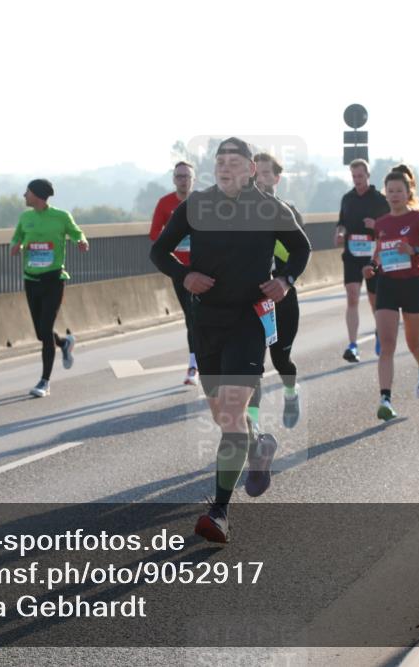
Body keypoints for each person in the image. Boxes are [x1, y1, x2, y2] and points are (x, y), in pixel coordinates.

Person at [150, 138, 310, 543]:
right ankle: (260, 445)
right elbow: (160, 251)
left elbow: (301, 249)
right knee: (225, 418)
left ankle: (219, 510)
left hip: (248, 321)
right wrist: (184, 275)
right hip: (207, 321)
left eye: (234, 162)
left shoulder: (270, 209)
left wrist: (285, 280)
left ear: (251, 169)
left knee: (235, 411)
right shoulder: (198, 205)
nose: (225, 167)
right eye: (220, 161)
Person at [362, 167, 419, 421]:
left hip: (412, 285)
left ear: (408, 192)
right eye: (391, 191)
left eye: (399, 190)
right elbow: (380, 252)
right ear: (385, 194)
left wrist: (414, 250)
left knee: (413, 344)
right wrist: (372, 266)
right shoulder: (382, 223)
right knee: (386, 344)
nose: (395, 194)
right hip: (387, 285)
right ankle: (385, 399)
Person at [10, 179, 88, 397]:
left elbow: (76, 233)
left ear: (37, 195)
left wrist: (81, 241)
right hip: (31, 280)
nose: (24, 195)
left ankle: (44, 382)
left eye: (27, 192)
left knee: (45, 330)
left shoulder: (61, 217)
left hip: (53, 280)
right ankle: (64, 343)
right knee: (41, 333)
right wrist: (15, 246)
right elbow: (17, 238)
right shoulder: (25, 218)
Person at [250, 152, 304, 430]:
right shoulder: (241, 212)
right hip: (254, 300)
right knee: (251, 365)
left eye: (265, 173)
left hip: (283, 298)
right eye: (255, 174)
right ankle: (253, 427)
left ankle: (291, 393)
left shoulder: (287, 212)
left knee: (281, 360)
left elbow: (294, 252)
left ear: (276, 178)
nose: (259, 179)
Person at [335, 159, 390, 362]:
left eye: (360, 176)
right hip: (352, 254)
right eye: (354, 176)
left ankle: (379, 332)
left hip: (373, 256)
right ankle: (353, 345)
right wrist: (340, 233)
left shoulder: (379, 200)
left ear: (368, 175)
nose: (357, 180)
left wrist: (375, 225)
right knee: (352, 296)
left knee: (374, 300)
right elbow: (341, 223)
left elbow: (390, 228)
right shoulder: (347, 199)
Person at [149, 161, 199, 386]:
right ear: (173, 179)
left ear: (194, 179)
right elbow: (154, 235)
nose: (183, 180)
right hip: (180, 270)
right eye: (179, 176)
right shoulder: (165, 203)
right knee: (191, 317)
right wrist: (173, 239)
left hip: (206, 267)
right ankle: (194, 365)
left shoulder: (204, 204)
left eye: (187, 176)